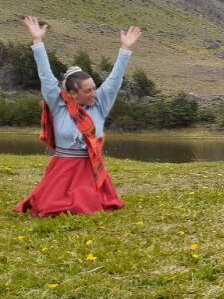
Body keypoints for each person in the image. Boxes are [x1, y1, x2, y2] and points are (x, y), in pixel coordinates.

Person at [14, 16, 141, 217]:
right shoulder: (58, 105)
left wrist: (125, 49)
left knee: (85, 207)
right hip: (62, 169)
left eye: (94, 88)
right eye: (88, 91)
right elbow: (46, 76)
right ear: (73, 94)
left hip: (90, 170)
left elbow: (115, 79)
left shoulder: (100, 105)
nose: (94, 93)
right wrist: (37, 41)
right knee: (48, 209)